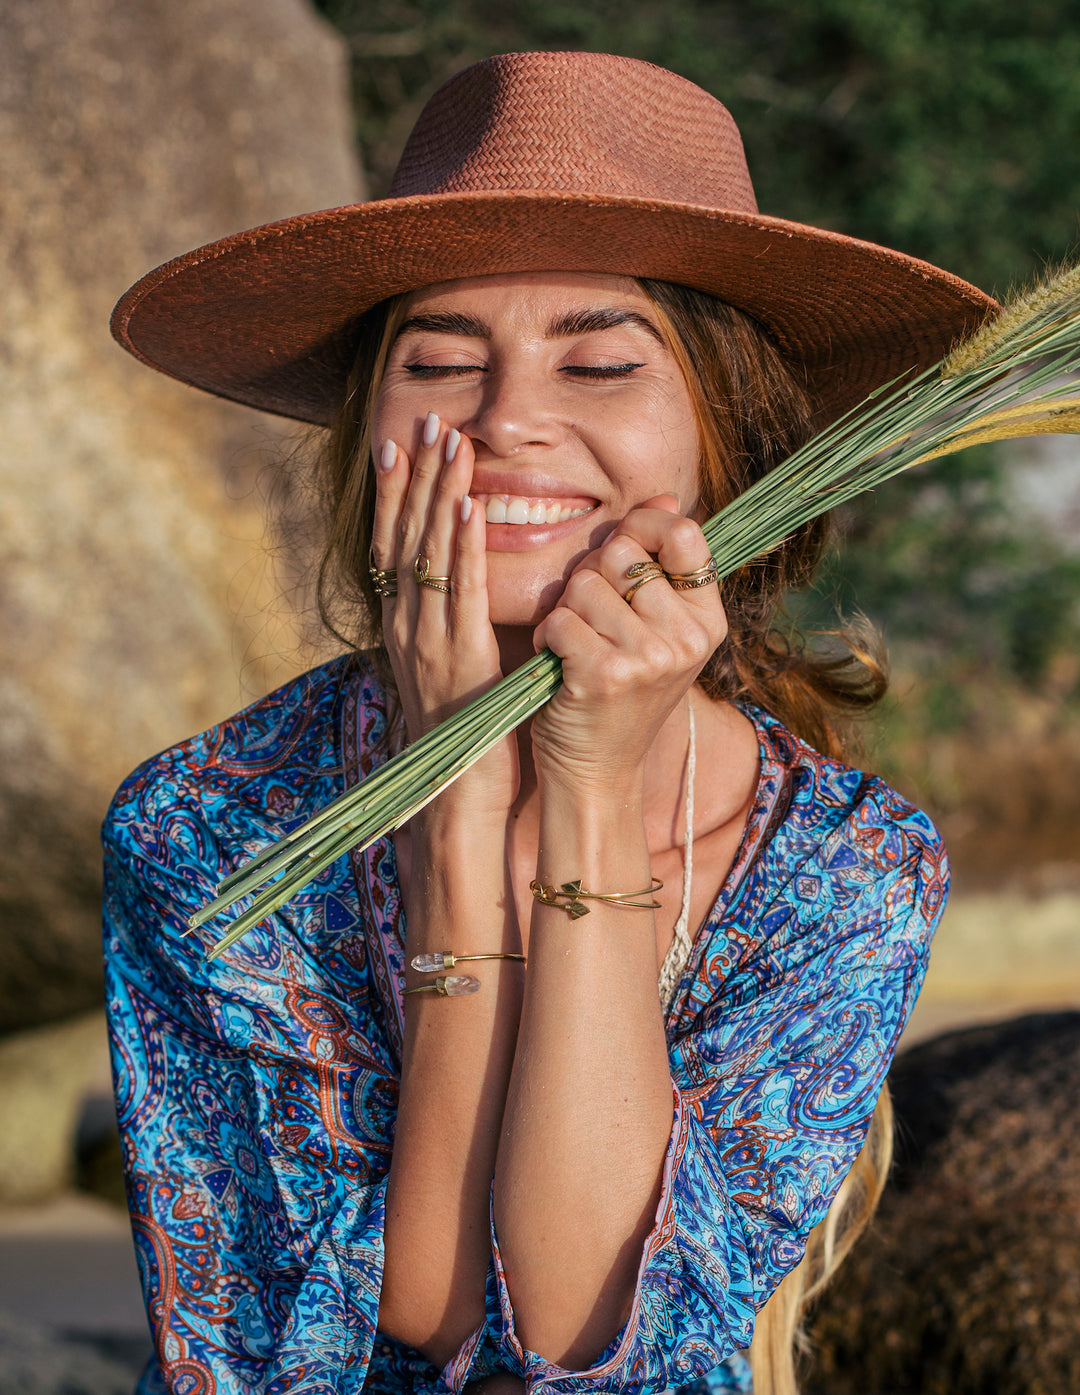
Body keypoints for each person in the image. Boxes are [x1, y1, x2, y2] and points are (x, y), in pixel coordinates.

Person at [104, 51, 993, 1395]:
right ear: (364, 433)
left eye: (598, 363)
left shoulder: (850, 869)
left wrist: (582, 785)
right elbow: (416, 1318)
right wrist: (457, 824)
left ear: (726, 431)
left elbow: (588, 1329)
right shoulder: (213, 829)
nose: (510, 419)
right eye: (442, 362)